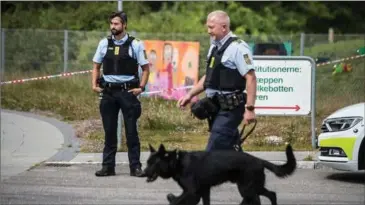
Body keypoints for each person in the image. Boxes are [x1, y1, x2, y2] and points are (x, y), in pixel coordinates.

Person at [177, 10, 257, 152]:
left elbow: (251, 77)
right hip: (215, 106)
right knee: (230, 149)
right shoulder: (214, 47)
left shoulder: (238, 48)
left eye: (211, 27)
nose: (208, 31)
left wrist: (250, 109)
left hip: (231, 108)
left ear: (224, 27)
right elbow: (209, 78)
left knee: (213, 149)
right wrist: (189, 95)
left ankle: (201, 174)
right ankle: (243, 172)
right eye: (208, 27)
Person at [91, 11, 150, 177]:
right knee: (109, 131)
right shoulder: (104, 43)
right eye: (111, 24)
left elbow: (146, 69)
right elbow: (95, 66)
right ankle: (108, 167)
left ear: (124, 25)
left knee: (131, 132)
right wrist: (94, 85)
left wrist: (141, 87)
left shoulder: (135, 44)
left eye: (116, 24)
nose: (113, 27)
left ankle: (135, 167)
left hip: (127, 92)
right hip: (108, 92)